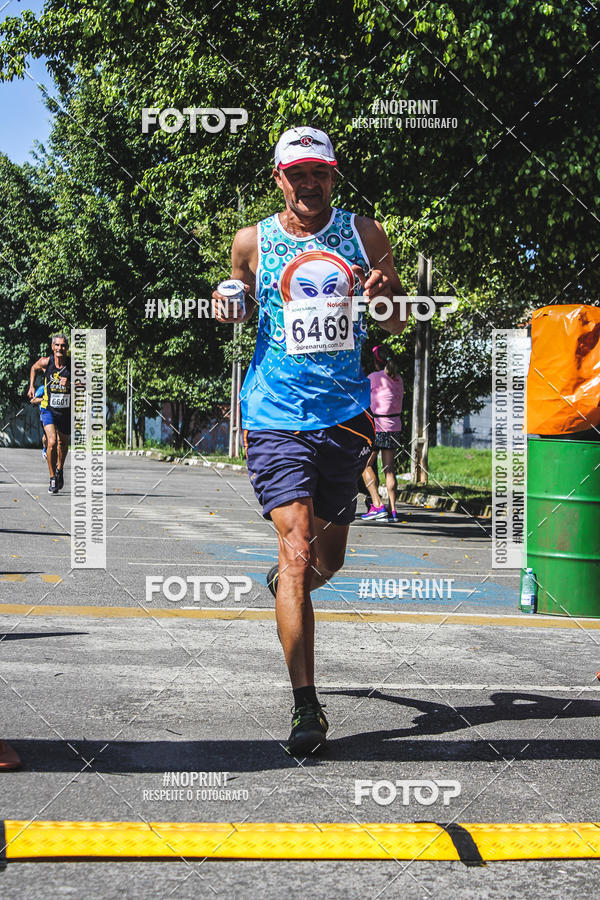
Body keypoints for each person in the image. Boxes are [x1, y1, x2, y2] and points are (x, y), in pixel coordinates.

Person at [213, 126, 408, 755]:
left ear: (332, 175)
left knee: (328, 561)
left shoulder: (364, 233)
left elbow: (399, 315)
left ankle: (287, 583)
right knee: (296, 549)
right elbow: (240, 305)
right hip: (274, 413)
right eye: (297, 173)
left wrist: (387, 297)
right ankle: (306, 708)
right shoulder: (253, 241)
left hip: (344, 415)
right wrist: (228, 304)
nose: (309, 183)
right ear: (279, 178)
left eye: (319, 172)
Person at [361, 345, 404, 522]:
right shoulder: (398, 379)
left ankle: (377, 505)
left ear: (375, 361)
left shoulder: (373, 378)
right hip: (394, 426)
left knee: (364, 465)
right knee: (389, 470)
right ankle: (393, 511)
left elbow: (363, 400)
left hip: (377, 426)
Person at [27, 334, 71, 494]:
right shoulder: (46, 362)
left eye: (63, 345)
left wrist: (71, 384)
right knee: (51, 442)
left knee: (63, 443)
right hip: (48, 408)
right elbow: (33, 368)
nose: (60, 348)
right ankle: (52, 477)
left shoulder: (74, 367)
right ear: (53, 347)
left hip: (66, 411)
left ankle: (60, 470)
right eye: (57, 345)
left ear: (67, 347)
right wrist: (31, 386)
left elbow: (85, 385)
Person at [30, 385, 48, 459]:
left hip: (58, 415)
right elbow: (33, 400)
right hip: (45, 415)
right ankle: (45, 449)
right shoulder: (43, 388)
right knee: (46, 436)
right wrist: (44, 399)